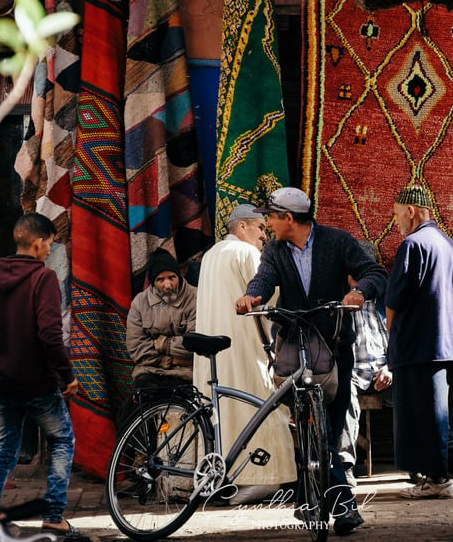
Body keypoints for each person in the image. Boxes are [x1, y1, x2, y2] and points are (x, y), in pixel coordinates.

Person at [236, 187, 388, 536]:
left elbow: (375, 272)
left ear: (289, 218)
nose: (268, 223)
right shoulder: (274, 250)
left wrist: (359, 292)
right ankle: (334, 504)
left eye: (271, 217)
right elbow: (264, 277)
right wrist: (252, 294)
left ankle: (323, 502)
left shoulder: (337, 241)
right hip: (295, 344)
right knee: (305, 428)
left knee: (332, 430)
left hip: (334, 346)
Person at [0, 213, 79, 534]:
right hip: (37, 382)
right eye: (48, 244)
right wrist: (67, 375)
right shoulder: (43, 279)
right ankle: (53, 516)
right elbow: (50, 335)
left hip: (2, 381)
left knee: (5, 447)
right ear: (37, 244)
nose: (50, 250)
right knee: (63, 439)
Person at [193, 204, 296, 505]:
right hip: (243, 348)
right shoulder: (247, 254)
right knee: (258, 407)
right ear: (242, 228)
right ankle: (260, 479)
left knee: (223, 413)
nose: (264, 234)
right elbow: (266, 300)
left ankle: (223, 476)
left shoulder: (211, 255)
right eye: (260, 227)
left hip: (215, 351)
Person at [385, 184, 453, 500]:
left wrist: (390, 334)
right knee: (438, 412)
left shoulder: (413, 244)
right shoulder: (448, 244)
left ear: (410, 211)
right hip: (448, 342)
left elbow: (395, 298)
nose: (396, 222)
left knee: (424, 414)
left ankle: (437, 480)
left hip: (419, 344)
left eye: (397, 215)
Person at [338, 243, 393, 486]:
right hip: (352, 372)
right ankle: (346, 465)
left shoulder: (383, 303)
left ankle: (418, 464)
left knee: (412, 394)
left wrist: (390, 366)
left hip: (383, 370)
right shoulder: (339, 301)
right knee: (344, 395)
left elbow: (397, 336)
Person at [126, 248, 197, 389]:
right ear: (152, 282)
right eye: (160, 279)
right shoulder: (140, 303)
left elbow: (195, 344)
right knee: (135, 409)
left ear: (179, 276)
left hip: (187, 373)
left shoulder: (196, 298)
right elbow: (136, 349)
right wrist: (171, 360)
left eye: (172, 277)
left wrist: (161, 344)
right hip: (149, 372)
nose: (168, 285)